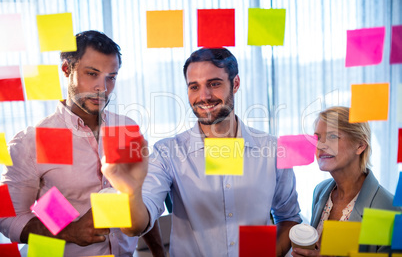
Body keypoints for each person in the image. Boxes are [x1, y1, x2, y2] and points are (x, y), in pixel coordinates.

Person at [101, 48, 302, 256]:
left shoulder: (273, 150)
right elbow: (136, 227)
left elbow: (289, 217)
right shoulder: (168, 153)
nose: (204, 96)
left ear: (235, 84)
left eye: (214, 84)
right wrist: (130, 191)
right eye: (194, 87)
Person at [0, 30, 164, 257]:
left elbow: (142, 200)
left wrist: (160, 253)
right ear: (67, 69)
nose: (102, 88)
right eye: (92, 74)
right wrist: (69, 231)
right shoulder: (30, 142)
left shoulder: (127, 129)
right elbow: (10, 217)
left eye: (111, 77)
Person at [291, 106, 401, 257]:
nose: (320, 145)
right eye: (317, 137)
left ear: (360, 145)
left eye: (332, 137)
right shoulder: (320, 191)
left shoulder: (389, 210)